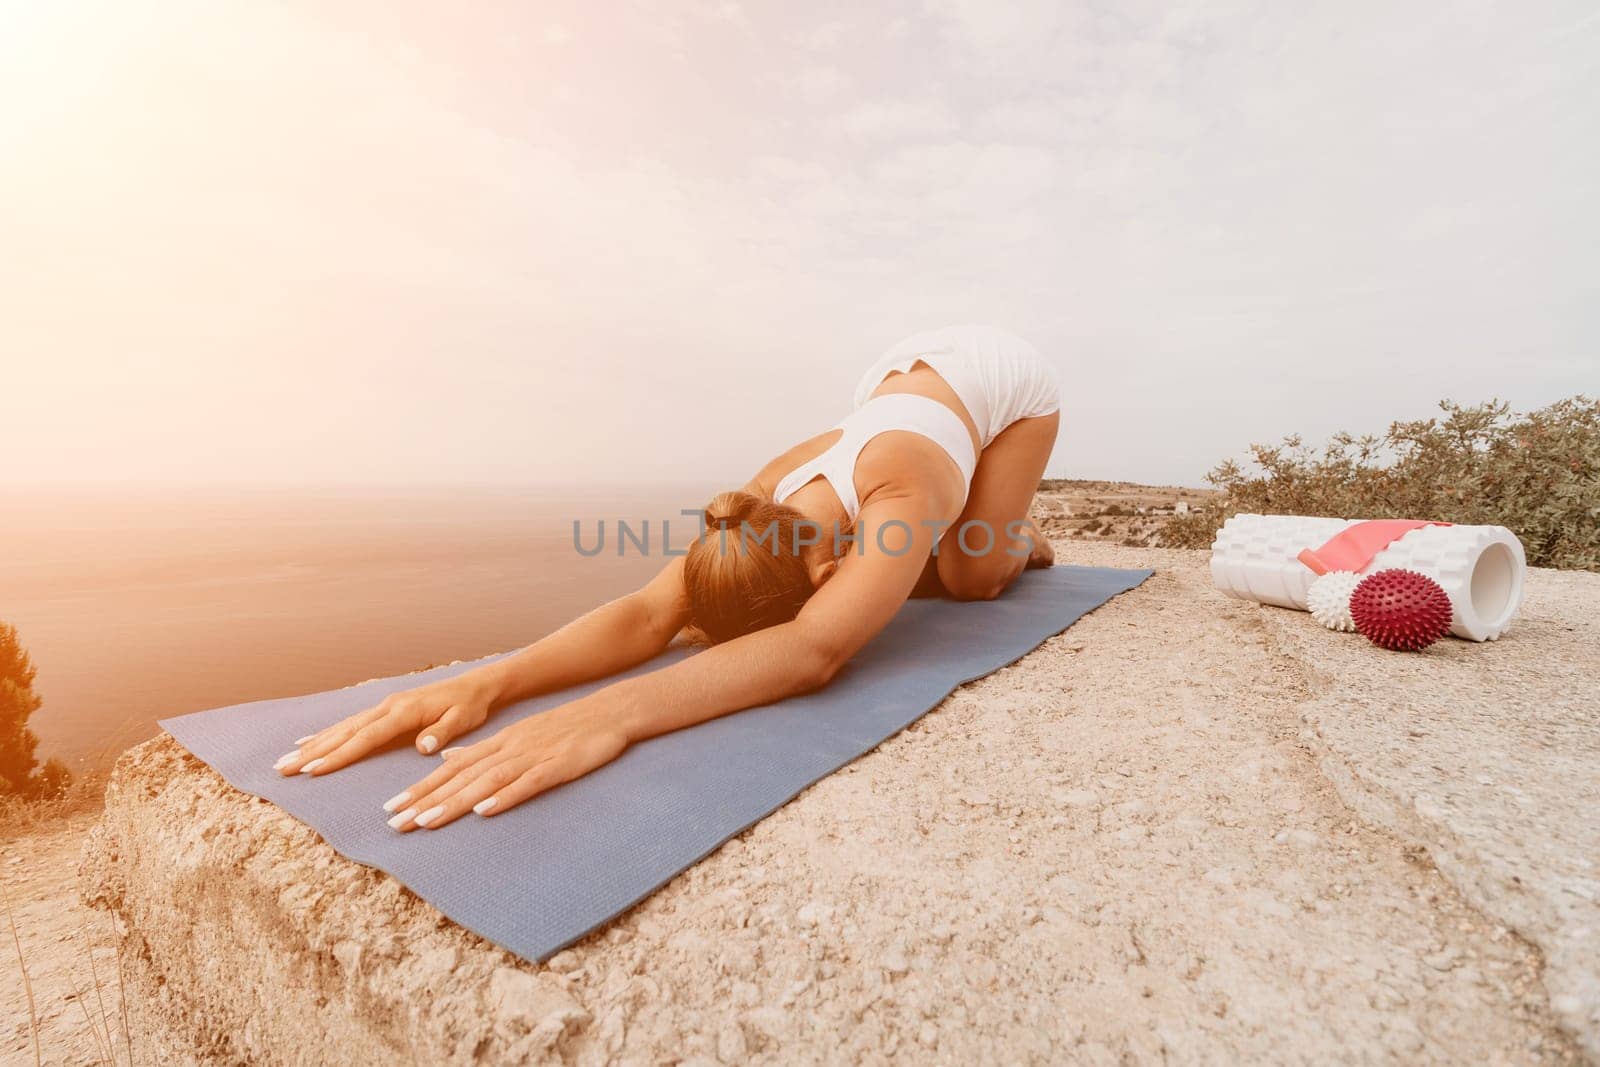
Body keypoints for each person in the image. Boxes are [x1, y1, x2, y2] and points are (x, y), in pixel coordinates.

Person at [273, 324, 1062, 830]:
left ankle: (1016, 536)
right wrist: (492, 681)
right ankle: (939, 545)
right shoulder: (758, 501)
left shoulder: (904, 493)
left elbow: (813, 649)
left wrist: (604, 715)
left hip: (1005, 383)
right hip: (891, 379)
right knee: (916, 560)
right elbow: (651, 614)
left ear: (828, 573)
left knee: (970, 574)